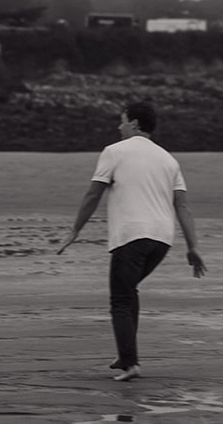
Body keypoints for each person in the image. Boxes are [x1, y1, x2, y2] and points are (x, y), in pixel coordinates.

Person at [57, 101, 206, 382]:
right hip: (161, 240)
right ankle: (126, 355)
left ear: (135, 123)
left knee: (121, 299)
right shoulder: (168, 159)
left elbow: (93, 194)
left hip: (132, 235)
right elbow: (183, 206)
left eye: (122, 121)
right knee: (129, 291)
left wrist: (75, 229)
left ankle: (131, 364)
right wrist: (193, 247)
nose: (119, 126)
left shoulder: (114, 152)